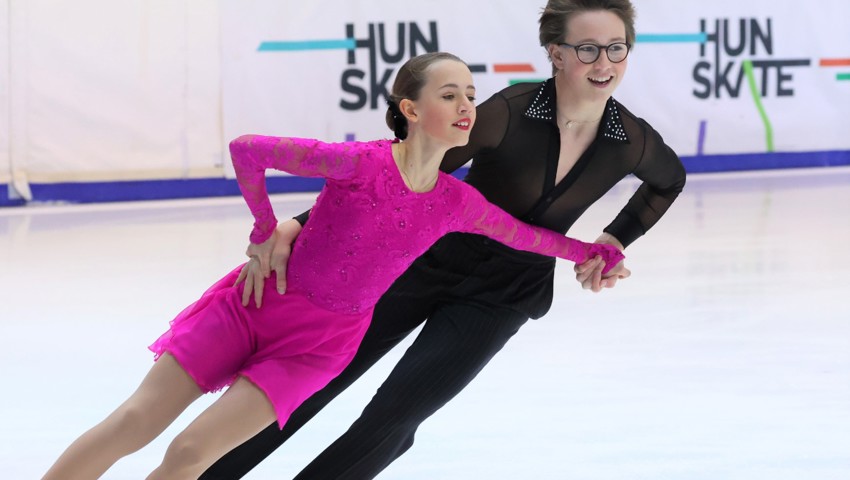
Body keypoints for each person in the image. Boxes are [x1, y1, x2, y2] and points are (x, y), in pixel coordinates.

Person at [40, 52, 624, 480]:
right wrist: (266, 227)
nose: (466, 105)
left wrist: (598, 252)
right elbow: (249, 150)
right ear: (410, 109)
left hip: (319, 347)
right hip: (254, 304)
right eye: (449, 94)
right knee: (136, 421)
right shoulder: (356, 163)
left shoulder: (455, 202)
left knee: (193, 454)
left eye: (469, 94)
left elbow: (529, 237)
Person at [199, 0, 687, 479]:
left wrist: (614, 239)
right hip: (420, 260)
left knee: (394, 419)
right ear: (556, 53)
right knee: (310, 382)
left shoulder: (632, 140)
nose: (604, 63)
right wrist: (298, 225)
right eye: (587, 49)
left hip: (506, 294)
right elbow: (401, 174)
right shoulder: (510, 112)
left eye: (616, 48)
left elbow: (668, 181)